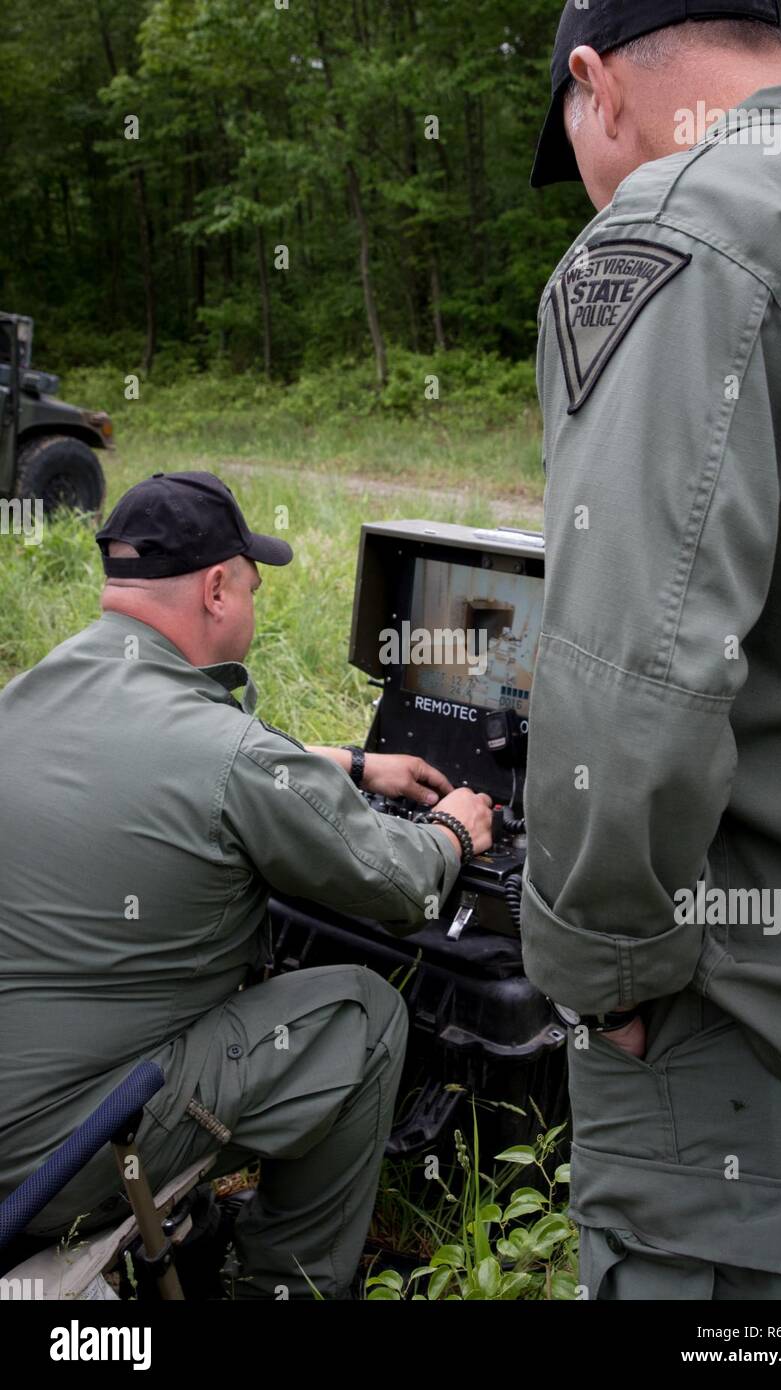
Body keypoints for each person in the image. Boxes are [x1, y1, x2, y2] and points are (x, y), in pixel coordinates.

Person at [521, 1, 781, 1299]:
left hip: (756, 1069)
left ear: (596, 84)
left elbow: (628, 689)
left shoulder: (684, 229)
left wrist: (599, 981)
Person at [0, 470, 492, 1298]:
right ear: (218, 588)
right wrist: (455, 830)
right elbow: (397, 884)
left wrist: (345, 764)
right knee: (364, 1016)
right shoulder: (234, 760)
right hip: (56, 1162)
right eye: (255, 587)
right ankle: (284, 1286)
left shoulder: (27, 696)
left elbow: (150, 754)